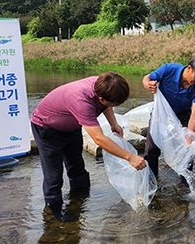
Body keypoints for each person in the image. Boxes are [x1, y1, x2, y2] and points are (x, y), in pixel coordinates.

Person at [31, 72, 146, 221]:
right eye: (115, 104)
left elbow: (106, 105)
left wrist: (113, 124)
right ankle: (53, 211)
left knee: (76, 165)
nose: (116, 107)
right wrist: (130, 157)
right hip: (46, 128)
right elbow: (99, 139)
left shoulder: (104, 84)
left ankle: (80, 198)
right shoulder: (81, 101)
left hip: (71, 126)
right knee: (54, 174)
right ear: (101, 98)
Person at [142, 53, 195, 178]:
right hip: (161, 114)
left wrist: (189, 135)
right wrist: (149, 84)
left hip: (183, 115)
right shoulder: (169, 70)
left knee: (187, 148)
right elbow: (147, 78)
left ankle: (185, 181)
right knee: (152, 148)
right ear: (189, 68)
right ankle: (151, 179)